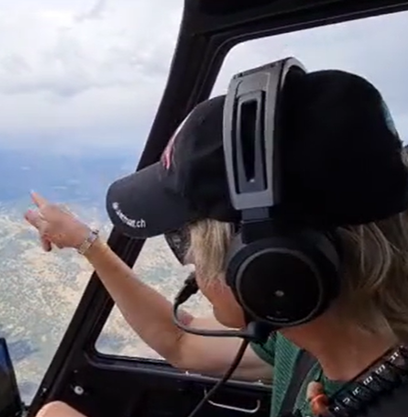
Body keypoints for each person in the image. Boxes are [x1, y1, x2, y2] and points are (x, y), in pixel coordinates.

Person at [25, 69, 408, 417]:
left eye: (185, 241)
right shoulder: (310, 341)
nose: (190, 264)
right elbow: (180, 340)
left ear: (268, 265)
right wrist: (87, 244)